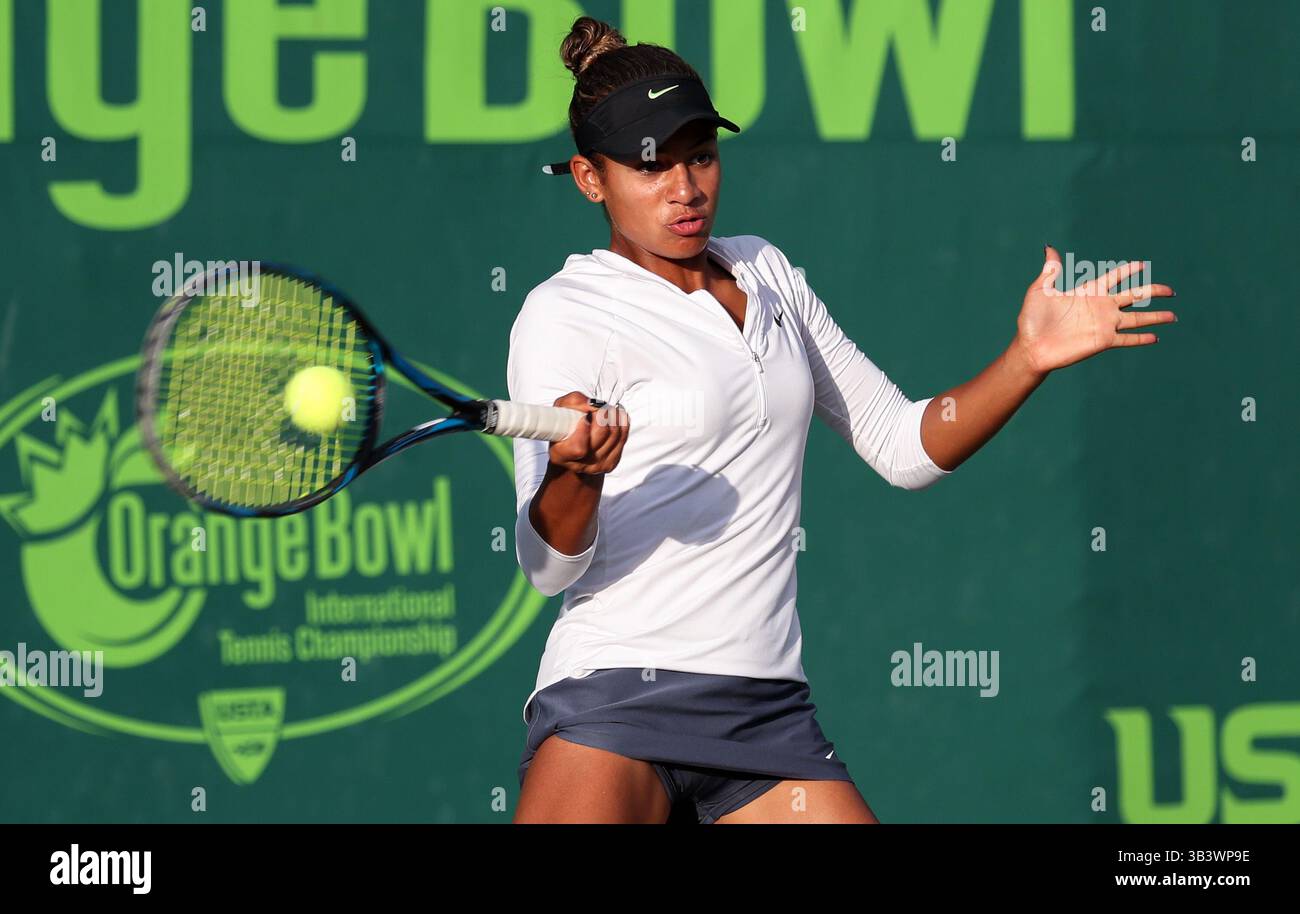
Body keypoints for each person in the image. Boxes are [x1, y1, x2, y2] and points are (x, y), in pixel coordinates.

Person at [509, 17, 1176, 825]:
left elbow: (902, 445)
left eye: (702, 156)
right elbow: (548, 568)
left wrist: (1025, 358)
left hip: (764, 713)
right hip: (615, 695)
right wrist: (577, 473)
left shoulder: (766, 271)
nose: (685, 188)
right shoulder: (564, 313)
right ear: (590, 179)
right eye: (651, 165)